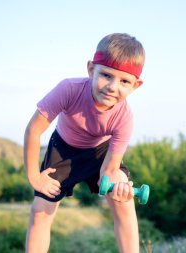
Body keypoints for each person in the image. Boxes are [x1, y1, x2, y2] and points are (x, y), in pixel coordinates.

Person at [24, 33, 145, 253]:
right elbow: (34, 130)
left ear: (135, 85)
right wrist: (34, 176)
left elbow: (110, 169)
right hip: (63, 150)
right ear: (91, 69)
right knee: (40, 212)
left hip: (101, 152)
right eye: (106, 75)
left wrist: (117, 184)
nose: (112, 86)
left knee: (124, 204)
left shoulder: (125, 117)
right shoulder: (69, 89)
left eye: (124, 81)